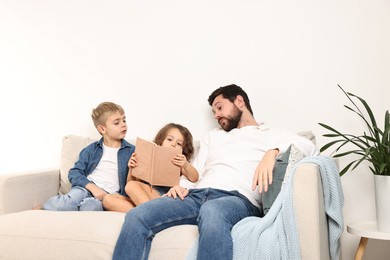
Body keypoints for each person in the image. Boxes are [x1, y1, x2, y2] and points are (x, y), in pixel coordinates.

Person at [112, 84, 318, 260]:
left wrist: (272, 152)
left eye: (219, 108)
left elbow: (308, 146)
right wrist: (180, 187)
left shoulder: (272, 135)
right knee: (138, 215)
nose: (217, 115)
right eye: (213, 112)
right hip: (196, 195)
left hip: (237, 199)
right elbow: (197, 173)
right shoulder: (214, 136)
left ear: (239, 102)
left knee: (212, 211)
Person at [42, 102, 135, 211]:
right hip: (85, 188)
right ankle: (44, 208)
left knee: (90, 207)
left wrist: (132, 169)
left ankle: (79, 209)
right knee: (66, 203)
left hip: (107, 197)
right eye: (116, 123)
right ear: (102, 129)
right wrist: (93, 188)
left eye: (124, 120)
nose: (123, 124)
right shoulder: (91, 150)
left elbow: (134, 183)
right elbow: (74, 173)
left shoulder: (132, 151)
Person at [102, 123, 199, 212]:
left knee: (131, 186)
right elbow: (131, 183)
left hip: (161, 197)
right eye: (169, 139)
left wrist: (186, 164)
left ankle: (150, 213)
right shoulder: (149, 157)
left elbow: (195, 178)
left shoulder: (178, 163)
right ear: (161, 142)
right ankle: (147, 213)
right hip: (143, 198)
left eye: (179, 144)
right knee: (108, 199)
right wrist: (131, 168)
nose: (173, 144)